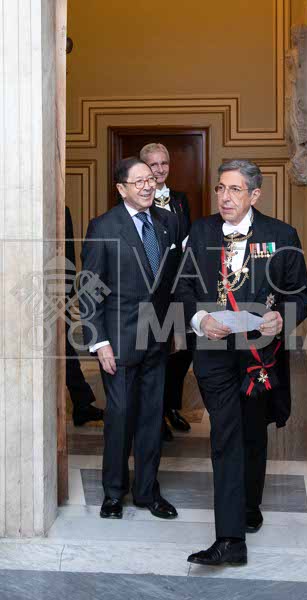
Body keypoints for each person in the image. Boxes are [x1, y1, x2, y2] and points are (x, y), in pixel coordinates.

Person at [176, 159, 307, 565]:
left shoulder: (281, 235)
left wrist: (281, 318)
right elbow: (182, 289)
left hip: (260, 356)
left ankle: (249, 506)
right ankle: (231, 539)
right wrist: (200, 319)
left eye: (235, 189)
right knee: (227, 436)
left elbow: (300, 295)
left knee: (253, 433)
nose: (225, 197)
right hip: (214, 354)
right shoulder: (200, 232)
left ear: (254, 195)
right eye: (221, 188)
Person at [80, 156, 180, 520]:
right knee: (120, 417)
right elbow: (90, 289)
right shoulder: (104, 226)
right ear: (122, 189)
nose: (148, 185)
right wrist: (99, 341)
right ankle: (113, 493)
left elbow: (169, 281)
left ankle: (147, 492)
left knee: (152, 418)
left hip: (157, 337)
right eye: (139, 181)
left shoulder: (167, 222)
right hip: (118, 340)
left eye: (150, 179)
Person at [140, 142, 192, 441]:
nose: (160, 170)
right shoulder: (136, 198)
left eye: (164, 164)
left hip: (178, 285)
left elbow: (186, 240)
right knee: (155, 351)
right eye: (153, 165)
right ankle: (154, 415)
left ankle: (171, 406)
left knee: (182, 351)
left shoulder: (181, 200)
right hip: (151, 289)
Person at [65, 205, 103, 426]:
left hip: (53, 294)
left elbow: (67, 253)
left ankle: (81, 402)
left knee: (63, 348)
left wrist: (67, 292)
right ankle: (81, 402)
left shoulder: (61, 210)